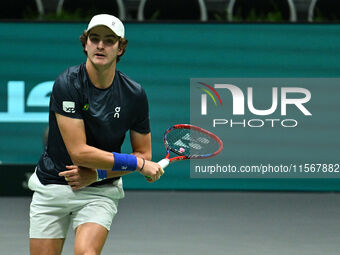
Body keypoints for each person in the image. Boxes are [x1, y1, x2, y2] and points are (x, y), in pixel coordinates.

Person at [28, 14, 164, 255]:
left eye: (109, 40)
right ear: (86, 43)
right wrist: (138, 164)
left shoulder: (134, 94)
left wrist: (99, 175)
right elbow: (79, 153)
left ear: (121, 47)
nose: (101, 45)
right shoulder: (68, 84)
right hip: (53, 185)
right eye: (95, 38)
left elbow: (144, 152)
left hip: (99, 190)